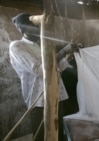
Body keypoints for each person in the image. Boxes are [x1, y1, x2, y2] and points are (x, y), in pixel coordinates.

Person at [9, 13, 78, 141]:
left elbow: (58, 69)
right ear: (23, 30)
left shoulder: (42, 45)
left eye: (39, 27)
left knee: (58, 133)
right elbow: (41, 70)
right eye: (33, 28)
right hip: (40, 100)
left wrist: (69, 54)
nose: (38, 30)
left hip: (57, 95)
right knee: (42, 136)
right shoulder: (17, 46)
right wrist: (62, 52)